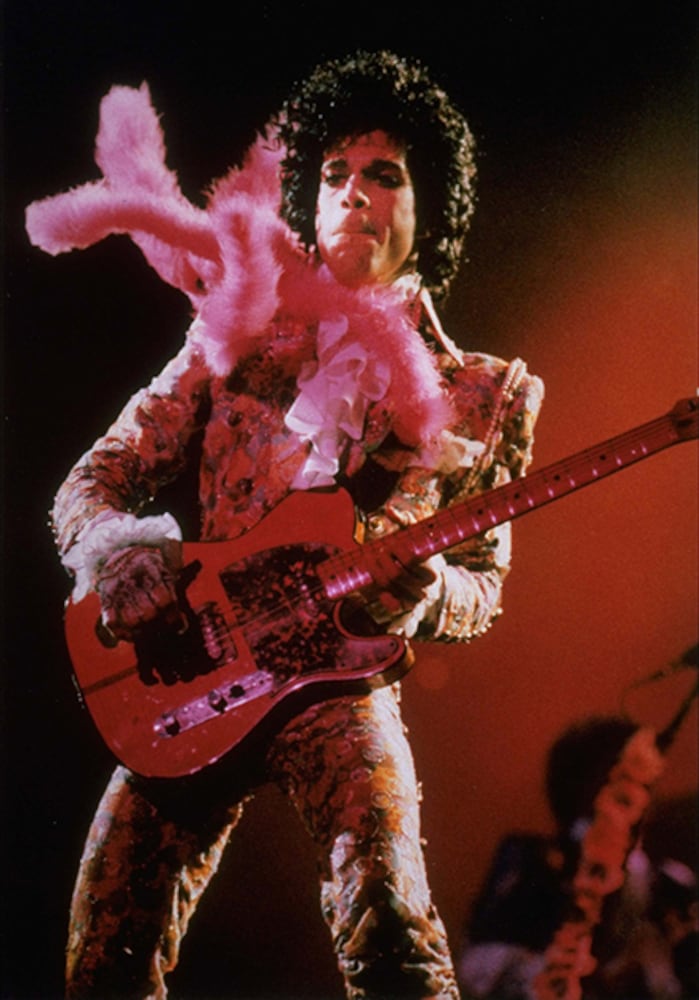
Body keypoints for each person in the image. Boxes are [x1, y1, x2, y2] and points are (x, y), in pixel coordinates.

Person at [37, 50, 544, 998]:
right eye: (335, 173)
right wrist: (118, 558)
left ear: (430, 208)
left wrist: (428, 596)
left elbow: (484, 583)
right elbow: (94, 479)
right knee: (103, 951)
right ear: (306, 199)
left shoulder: (486, 392)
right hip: (194, 665)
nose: (354, 193)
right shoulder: (231, 332)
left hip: (341, 688)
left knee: (390, 926)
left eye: (384, 174)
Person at [457, 715, 698, 999]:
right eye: (620, 779)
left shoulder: (670, 883)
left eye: (644, 782)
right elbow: (480, 965)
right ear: (581, 787)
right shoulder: (536, 862)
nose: (636, 794)